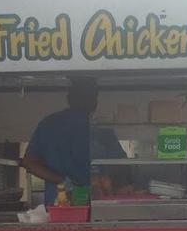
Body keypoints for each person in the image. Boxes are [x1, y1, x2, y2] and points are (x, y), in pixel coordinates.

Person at [21, 76, 123, 205]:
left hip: (61, 206)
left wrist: (62, 181)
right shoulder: (101, 129)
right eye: (92, 97)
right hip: (97, 205)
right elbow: (120, 166)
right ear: (94, 102)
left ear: (69, 99)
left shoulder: (48, 124)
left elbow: (30, 163)